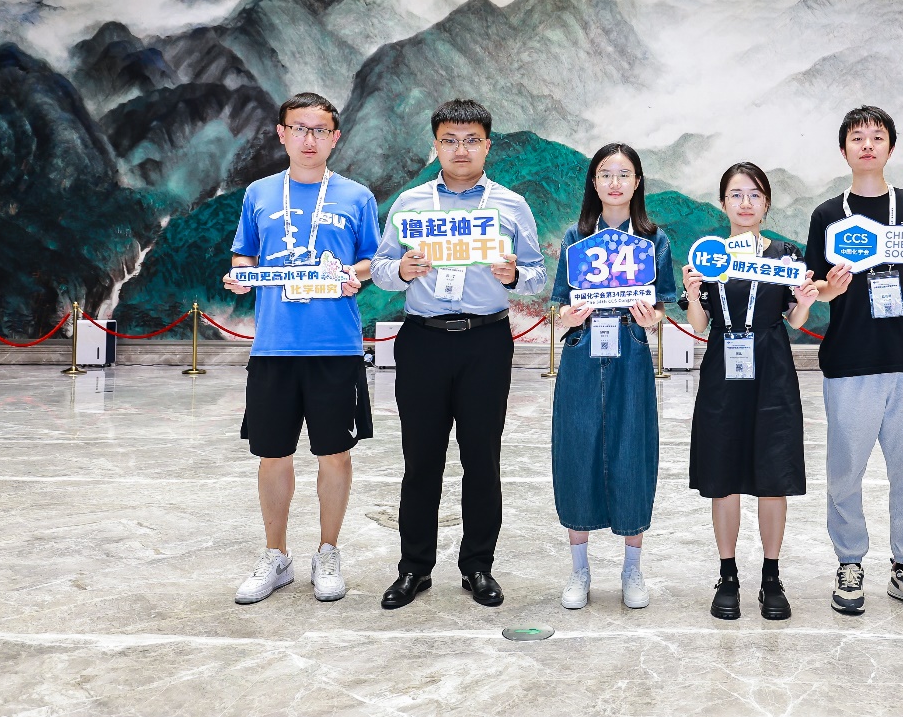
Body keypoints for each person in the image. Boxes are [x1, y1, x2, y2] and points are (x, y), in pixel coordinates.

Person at [370, 99, 546, 610]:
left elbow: (538, 274)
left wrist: (515, 275)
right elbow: (379, 268)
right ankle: (414, 568)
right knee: (420, 459)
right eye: (450, 140)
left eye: (471, 140)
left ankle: (478, 566)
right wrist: (401, 271)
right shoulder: (411, 204)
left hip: (485, 342)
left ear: (488, 146)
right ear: (436, 145)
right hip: (423, 339)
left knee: (482, 459)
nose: (461, 149)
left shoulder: (511, 206)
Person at [223, 92, 380, 605]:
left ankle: (328, 552)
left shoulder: (357, 197)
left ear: (335, 137)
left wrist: (353, 275)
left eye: (320, 130)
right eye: (299, 128)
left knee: (334, 452)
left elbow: (372, 261)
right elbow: (245, 255)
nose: (309, 139)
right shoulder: (259, 194)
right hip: (274, 347)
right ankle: (276, 555)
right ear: (281, 134)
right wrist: (242, 277)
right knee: (272, 454)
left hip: (336, 346)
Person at [804, 106, 903, 619]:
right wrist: (829, 287)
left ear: (891, 146)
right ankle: (849, 562)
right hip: (850, 359)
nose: (867, 145)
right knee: (845, 471)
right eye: (857, 138)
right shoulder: (828, 214)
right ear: (844, 149)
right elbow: (815, 289)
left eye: (877, 137)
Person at [682, 163, 818, 621]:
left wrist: (804, 301)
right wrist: (692, 293)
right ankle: (728, 575)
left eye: (754, 195)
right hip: (723, 366)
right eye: (736, 194)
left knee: (773, 471)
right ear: (723, 203)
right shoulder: (709, 255)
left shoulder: (785, 254)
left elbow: (795, 320)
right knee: (723, 472)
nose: (745, 203)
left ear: (766, 204)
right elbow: (700, 324)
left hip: (772, 367)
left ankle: (771, 577)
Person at [551, 144, 676, 611]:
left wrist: (650, 319)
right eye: (606, 173)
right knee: (576, 448)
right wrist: (568, 316)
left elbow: (661, 306)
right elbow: (559, 304)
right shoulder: (576, 237)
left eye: (624, 174)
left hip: (631, 349)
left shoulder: (654, 240)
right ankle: (579, 569)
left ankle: (632, 569)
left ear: (637, 182)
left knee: (632, 449)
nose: (615, 182)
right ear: (594, 182)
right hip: (583, 349)